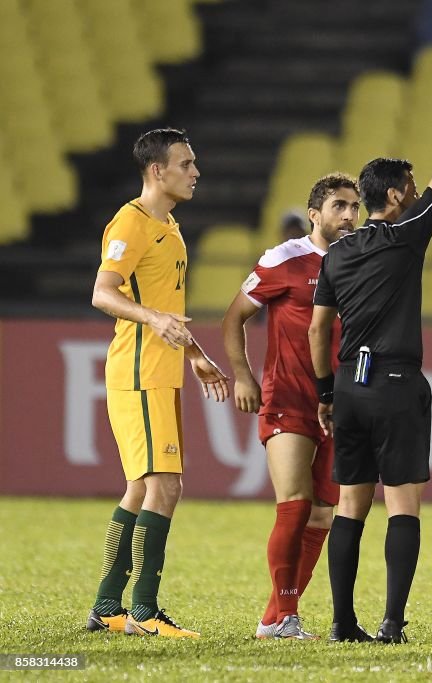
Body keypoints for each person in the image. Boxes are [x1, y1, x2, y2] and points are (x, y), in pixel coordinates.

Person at [308, 72, 432, 644]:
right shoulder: (405, 234)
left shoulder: (337, 254)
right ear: (393, 197)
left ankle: (341, 623)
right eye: (408, 188)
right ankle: (391, 623)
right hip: (395, 384)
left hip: (349, 388)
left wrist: (325, 392)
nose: (416, 194)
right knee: (403, 507)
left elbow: (319, 329)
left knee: (348, 508)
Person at [86, 128, 230, 638]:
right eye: (186, 163)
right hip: (139, 371)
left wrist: (197, 355)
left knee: (140, 487)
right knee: (166, 486)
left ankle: (108, 606)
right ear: (157, 170)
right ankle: (144, 612)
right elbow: (103, 292)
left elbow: (167, 313)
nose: (195, 172)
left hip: (162, 370)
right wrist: (152, 319)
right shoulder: (131, 222)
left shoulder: (169, 224)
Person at [222, 173, 360, 640]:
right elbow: (234, 317)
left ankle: (273, 618)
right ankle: (286, 618)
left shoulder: (361, 260)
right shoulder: (284, 258)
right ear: (315, 214)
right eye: (339, 206)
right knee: (295, 504)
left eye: (355, 206)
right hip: (288, 398)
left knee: (322, 514)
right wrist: (243, 375)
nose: (349, 215)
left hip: (339, 405)